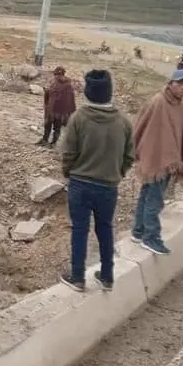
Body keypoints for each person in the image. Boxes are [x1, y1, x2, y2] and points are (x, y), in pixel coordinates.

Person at [58, 69, 135, 292]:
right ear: (110, 92)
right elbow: (130, 156)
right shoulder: (123, 122)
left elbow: (68, 153)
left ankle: (78, 277)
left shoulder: (78, 118)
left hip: (80, 184)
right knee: (105, 229)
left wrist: (68, 172)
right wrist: (117, 173)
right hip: (108, 186)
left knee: (79, 230)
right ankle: (107, 276)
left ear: (88, 92)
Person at [130, 68, 183, 255]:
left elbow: (181, 134)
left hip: (166, 160)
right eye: (180, 84)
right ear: (171, 83)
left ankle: (138, 231)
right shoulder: (159, 102)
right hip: (156, 159)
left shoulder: (179, 106)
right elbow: (145, 127)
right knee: (154, 199)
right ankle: (150, 238)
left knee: (147, 195)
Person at [36, 66, 77, 148]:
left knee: (50, 126)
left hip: (53, 109)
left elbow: (53, 95)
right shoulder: (68, 84)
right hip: (60, 111)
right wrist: (71, 111)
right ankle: (51, 142)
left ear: (56, 74)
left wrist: (47, 92)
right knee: (55, 127)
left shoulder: (56, 83)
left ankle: (47, 141)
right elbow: (71, 99)